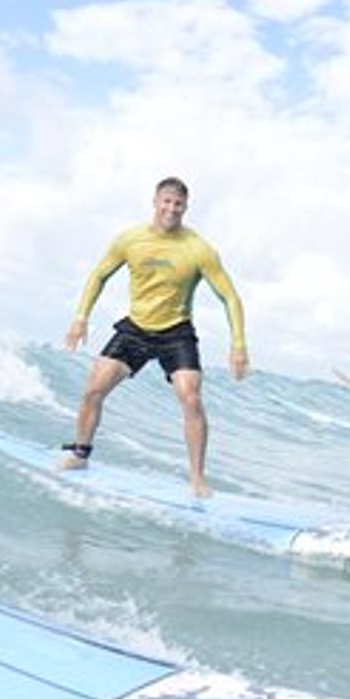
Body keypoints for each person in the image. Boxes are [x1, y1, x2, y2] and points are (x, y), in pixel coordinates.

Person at [60, 177, 247, 496]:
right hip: (135, 328)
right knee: (94, 389)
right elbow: (99, 275)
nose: (171, 209)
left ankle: (198, 479)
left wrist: (238, 344)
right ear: (155, 202)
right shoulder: (130, 240)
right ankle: (80, 453)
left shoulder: (199, 249)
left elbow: (229, 296)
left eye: (178, 204)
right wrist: (81, 318)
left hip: (176, 332)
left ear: (185, 207)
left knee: (191, 397)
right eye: (167, 202)